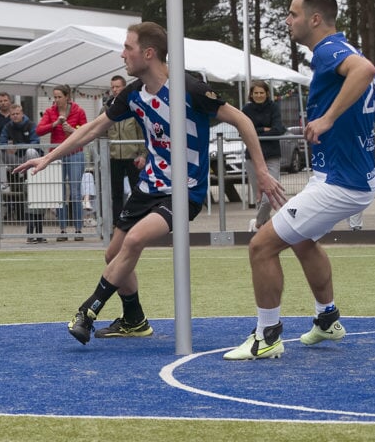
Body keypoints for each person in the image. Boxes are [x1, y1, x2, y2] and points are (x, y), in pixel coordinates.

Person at [14, 21, 284, 345]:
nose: (122, 55)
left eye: (128, 48)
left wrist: (263, 172)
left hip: (185, 190)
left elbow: (242, 120)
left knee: (134, 241)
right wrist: (48, 158)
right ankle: (134, 319)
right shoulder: (133, 94)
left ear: (149, 53)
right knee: (113, 254)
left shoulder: (190, 89)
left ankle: (87, 311)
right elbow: (94, 128)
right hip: (149, 186)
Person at [224, 0, 375, 360]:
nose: (288, 21)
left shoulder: (330, 49)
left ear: (314, 19)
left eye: (293, 14)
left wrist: (327, 117)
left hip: (342, 182)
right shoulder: (339, 51)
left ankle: (267, 335)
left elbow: (367, 70)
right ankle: (327, 318)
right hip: (345, 176)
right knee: (300, 239)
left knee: (261, 246)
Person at [35, 84, 88, 241]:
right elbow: (39, 130)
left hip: (75, 153)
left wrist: (73, 130)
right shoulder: (50, 112)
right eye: (55, 97)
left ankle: (78, 229)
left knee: (75, 191)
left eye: (59, 97)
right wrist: (54, 124)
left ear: (67, 97)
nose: (57, 100)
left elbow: (87, 130)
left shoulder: (78, 111)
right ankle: (62, 229)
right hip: (57, 154)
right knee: (59, 193)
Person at [240, 80, 286, 232]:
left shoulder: (274, 107)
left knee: (270, 196)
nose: (259, 95)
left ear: (267, 93)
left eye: (261, 92)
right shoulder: (246, 109)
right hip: (252, 157)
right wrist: (264, 129)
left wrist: (255, 131)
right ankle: (264, 231)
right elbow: (243, 132)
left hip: (272, 155)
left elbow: (279, 129)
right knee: (259, 198)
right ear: (251, 94)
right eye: (256, 93)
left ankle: (257, 224)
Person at [0, 103, 42, 242]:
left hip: (29, 157)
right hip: (15, 157)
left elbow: (36, 142)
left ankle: (31, 174)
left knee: (31, 151)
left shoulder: (31, 125)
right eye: (12, 114)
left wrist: (18, 147)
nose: (15, 116)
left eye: (17, 114)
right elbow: (1, 141)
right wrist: (8, 148)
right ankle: (1, 182)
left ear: (22, 113)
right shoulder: (8, 126)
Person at [105, 75, 144, 222]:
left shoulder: (133, 105)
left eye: (117, 87)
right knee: (116, 193)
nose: (115, 90)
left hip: (132, 156)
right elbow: (100, 131)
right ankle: (117, 222)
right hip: (114, 157)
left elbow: (141, 132)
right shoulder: (106, 108)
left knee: (136, 190)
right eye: (112, 87)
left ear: (124, 87)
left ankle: (136, 220)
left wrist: (143, 155)